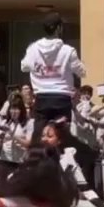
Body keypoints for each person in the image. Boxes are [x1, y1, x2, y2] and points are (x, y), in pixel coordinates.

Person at [20, 12, 86, 142]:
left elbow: (24, 66)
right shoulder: (68, 50)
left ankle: (39, 158)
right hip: (62, 98)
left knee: (40, 136)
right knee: (62, 136)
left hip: (41, 98)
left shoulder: (33, 48)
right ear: (59, 28)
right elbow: (82, 72)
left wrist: (40, 66)